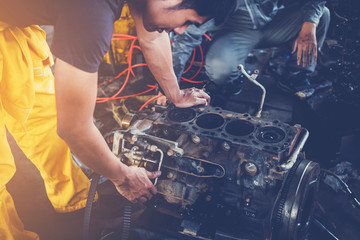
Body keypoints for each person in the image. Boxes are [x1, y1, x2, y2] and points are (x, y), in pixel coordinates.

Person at [0, 0, 223, 239]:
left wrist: (176, 95)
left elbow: (154, 37)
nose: (181, 31)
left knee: (47, 128)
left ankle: (75, 206)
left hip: (16, 30)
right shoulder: (92, 10)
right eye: (188, 21)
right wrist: (122, 176)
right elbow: (74, 129)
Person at [171, 0, 331, 99]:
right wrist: (169, 89)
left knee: (322, 15)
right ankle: (233, 81)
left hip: (275, 23)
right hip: (237, 32)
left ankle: (294, 76)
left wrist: (309, 24)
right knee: (219, 69)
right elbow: (185, 38)